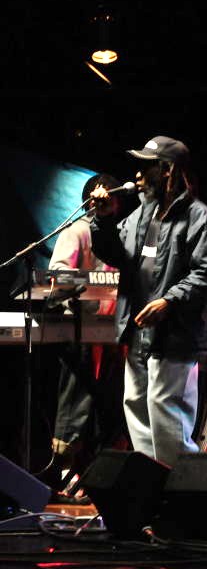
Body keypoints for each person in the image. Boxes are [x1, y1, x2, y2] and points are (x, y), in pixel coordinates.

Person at [90, 135, 207, 467]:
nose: (137, 174)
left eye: (145, 167)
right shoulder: (142, 214)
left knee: (167, 418)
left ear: (167, 170)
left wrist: (168, 301)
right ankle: (150, 486)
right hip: (138, 332)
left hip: (175, 335)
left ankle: (182, 489)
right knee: (137, 410)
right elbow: (116, 255)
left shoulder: (199, 219)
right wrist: (103, 220)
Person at [40, 173, 127, 501]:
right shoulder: (77, 231)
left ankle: (103, 477)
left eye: (114, 199)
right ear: (93, 200)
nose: (111, 204)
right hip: (82, 331)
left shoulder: (121, 234)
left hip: (115, 333)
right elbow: (57, 278)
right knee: (77, 402)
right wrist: (96, 290)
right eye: (106, 198)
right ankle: (68, 474)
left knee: (110, 406)